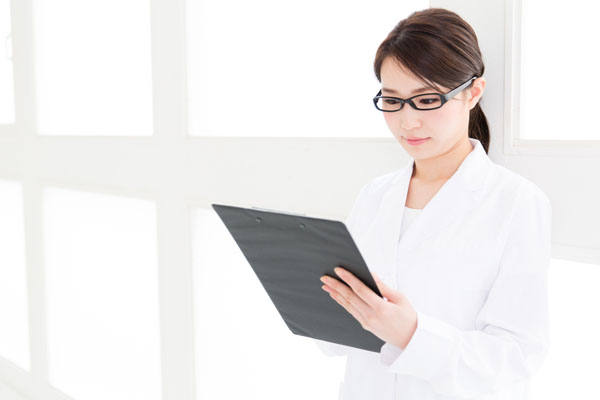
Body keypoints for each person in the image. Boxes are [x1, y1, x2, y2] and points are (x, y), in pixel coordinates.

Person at [315, 7, 552, 400]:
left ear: (473, 92)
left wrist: (411, 335)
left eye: (426, 100)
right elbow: (336, 338)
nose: (407, 122)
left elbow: (516, 357)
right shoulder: (374, 196)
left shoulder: (516, 203)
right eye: (392, 101)